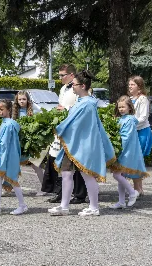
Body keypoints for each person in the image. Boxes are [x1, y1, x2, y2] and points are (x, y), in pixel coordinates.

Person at [48, 70, 115, 217]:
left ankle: (94, 207)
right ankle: (64, 206)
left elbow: (76, 125)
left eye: (74, 84)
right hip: (72, 144)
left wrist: (60, 128)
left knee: (87, 175)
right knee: (66, 173)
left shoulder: (88, 104)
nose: (72, 87)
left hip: (84, 145)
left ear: (83, 86)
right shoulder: (80, 102)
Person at [44, 64, 88, 205]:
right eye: (59, 75)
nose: (60, 78)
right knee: (58, 159)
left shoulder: (80, 88)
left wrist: (66, 109)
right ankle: (61, 192)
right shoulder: (63, 88)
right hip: (64, 127)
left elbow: (82, 106)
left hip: (75, 128)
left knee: (76, 162)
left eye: (62, 75)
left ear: (71, 75)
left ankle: (80, 194)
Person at [0, 100, 28, 216]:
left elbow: (3, 143)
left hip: (8, 156)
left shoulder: (8, 125)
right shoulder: (6, 123)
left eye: (2, 110)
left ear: (9, 110)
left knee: (13, 180)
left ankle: (22, 205)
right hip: (5, 155)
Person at [109, 95, 148, 209]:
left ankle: (132, 192)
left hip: (127, 151)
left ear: (130, 108)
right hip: (123, 151)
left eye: (123, 107)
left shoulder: (130, 120)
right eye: (119, 107)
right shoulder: (121, 119)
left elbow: (126, 137)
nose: (121, 109)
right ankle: (121, 201)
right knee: (121, 176)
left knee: (117, 174)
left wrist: (117, 148)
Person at [11, 91, 45, 196]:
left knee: (35, 165)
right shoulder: (14, 111)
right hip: (18, 141)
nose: (22, 101)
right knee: (13, 164)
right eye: (20, 99)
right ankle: (8, 186)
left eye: (24, 99)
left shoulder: (34, 109)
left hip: (31, 142)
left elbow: (40, 121)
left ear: (28, 100)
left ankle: (44, 188)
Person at [128, 76, 152, 196]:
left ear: (139, 86)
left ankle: (138, 189)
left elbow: (143, 117)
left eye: (132, 84)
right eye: (129, 84)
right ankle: (138, 188)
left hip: (141, 132)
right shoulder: (130, 99)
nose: (130, 86)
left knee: (137, 160)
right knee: (134, 160)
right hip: (133, 132)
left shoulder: (143, 99)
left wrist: (131, 125)